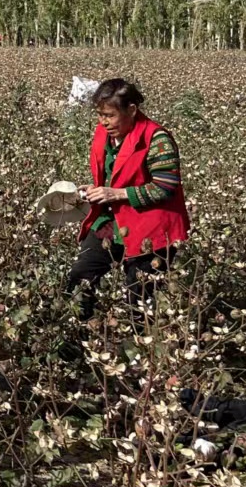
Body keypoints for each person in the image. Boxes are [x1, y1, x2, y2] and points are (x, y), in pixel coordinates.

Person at [65, 78, 188, 316]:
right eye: (100, 115)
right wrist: (95, 190)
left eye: (110, 115)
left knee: (139, 299)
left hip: (151, 230)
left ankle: (138, 347)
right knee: (80, 278)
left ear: (132, 110)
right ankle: (80, 332)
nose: (103, 122)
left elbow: (165, 186)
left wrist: (116, 194)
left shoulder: (157, 139)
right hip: (112, 222)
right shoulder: (105, 135)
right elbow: (116, 174)